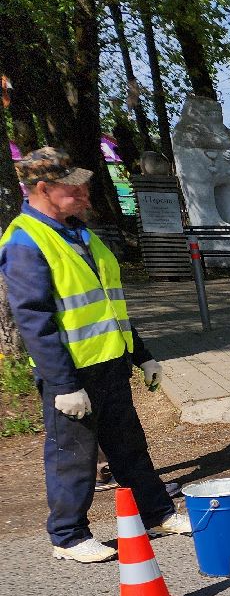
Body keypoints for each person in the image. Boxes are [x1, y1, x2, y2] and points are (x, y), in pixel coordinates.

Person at [1, 146, 190, 563]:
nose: (85, 197)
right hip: (70, 373)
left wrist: (142, 355)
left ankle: (158, 512)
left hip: (109, 363)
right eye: (74, 190)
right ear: (43, 188)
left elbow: (109, 305)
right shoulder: (25, 241)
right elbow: (34, 320)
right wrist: (64, 385)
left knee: (129, 448)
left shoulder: (79, 233)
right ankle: (67, 537)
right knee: (74, 458)